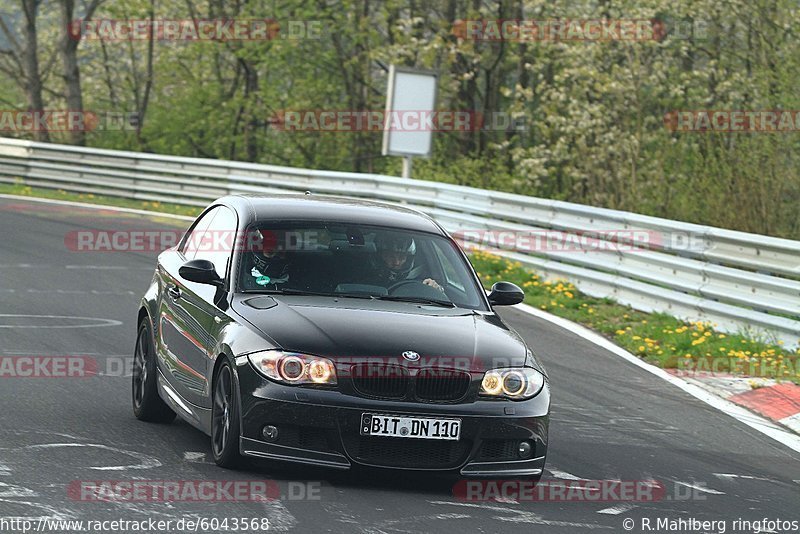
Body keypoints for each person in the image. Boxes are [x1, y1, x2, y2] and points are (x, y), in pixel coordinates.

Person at [369, 232, 444, 292]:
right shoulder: (364, 274)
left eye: (402, 257)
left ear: (408, 258)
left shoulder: (420, 277)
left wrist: (436, 288)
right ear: (380, 256)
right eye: (391, 257)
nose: (397, 262)